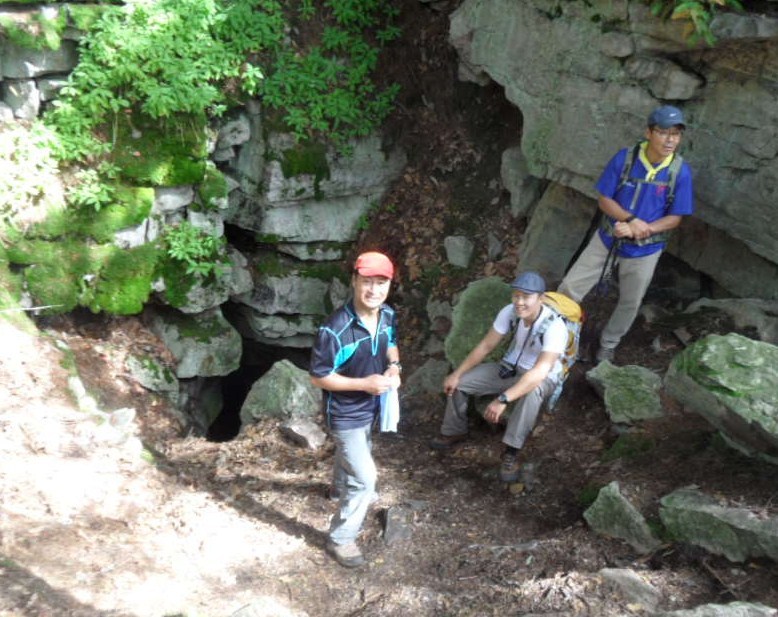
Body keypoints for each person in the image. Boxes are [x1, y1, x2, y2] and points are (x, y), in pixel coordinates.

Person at [558, 105, 694, 363]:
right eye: (663, 132)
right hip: (608, 237)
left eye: (676, 134)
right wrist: (629, 220)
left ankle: (608, 344)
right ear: (648, 133)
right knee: (570, 286)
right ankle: (557, 335)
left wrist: (642, 228)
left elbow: (675, 217)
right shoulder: (626, 159)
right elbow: (604, 199)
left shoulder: (679, 171)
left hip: (646, 248)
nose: (670, 140)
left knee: (630, 301)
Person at [309, 251, 401, 568]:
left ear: (389, 285)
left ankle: (338, 489)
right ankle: (341, 538)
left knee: (359, 447)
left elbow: (391, 344)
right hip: (344, 413)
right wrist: (364, 384)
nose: (374, 290)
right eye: (367, 282)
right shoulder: (334, 329)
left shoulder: (387, 315)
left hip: (371, 406)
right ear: (354, 282)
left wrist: (395, 367)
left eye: (381, 283)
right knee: (365, 479)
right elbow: (319, 376)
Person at [429, 271, 567, 483]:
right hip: (511, 367)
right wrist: (457, 374)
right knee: (461, 383)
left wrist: (503, 399)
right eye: (516, 295)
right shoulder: (510, 312)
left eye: (526, 297)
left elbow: (540, 372)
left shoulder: (555, 327)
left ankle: (511, 452)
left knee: (533, 392)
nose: (519, 302)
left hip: (542, 377)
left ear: (541, 298)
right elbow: (486, 345)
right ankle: (454, 430)